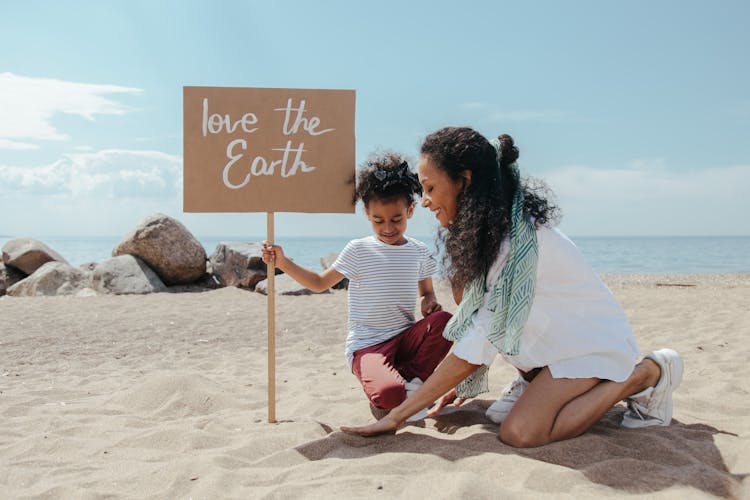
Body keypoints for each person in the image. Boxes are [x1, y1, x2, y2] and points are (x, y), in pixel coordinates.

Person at [341, 127, 683, 447]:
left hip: (589, 348)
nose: (426, 200)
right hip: (549, 352)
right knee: (498, 409)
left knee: (521, 432)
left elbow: (480, 342)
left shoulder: (514, 246)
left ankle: (642, 374)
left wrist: (398, 416)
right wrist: (450, 383)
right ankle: (533, 378)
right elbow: (478, 322)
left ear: (464, 181)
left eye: (430, 188)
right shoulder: (488, 230)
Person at [262, 152, 452, 420]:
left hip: (405, 340)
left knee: (445, 322)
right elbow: (318, 283)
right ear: (367, 214)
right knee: (389, 396)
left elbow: (427, 292)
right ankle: (395, 388)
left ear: (410, 210)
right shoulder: (359, 250)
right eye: (378, 220)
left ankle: (413, 383)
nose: (388, 227)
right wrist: (283, 262)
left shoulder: (418, 251)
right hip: (369, 346)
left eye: (396, 219)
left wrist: (429, 303)